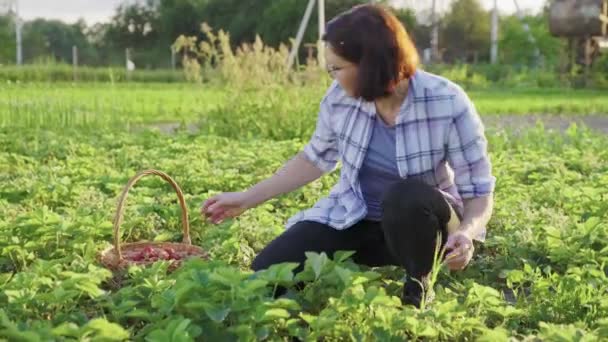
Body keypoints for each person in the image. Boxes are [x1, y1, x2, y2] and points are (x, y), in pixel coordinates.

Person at [201, 4, 495, 308]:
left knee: (405, 196)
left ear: (370, 63)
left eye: (337, 69)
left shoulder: (446, 101)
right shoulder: (338, 99)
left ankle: (418, 289)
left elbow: (479, 192)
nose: (333, 78)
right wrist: (247, 198)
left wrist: (466, 234)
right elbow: (314, 158)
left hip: (424, 229)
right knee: (266, 276)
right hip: (356, 216)